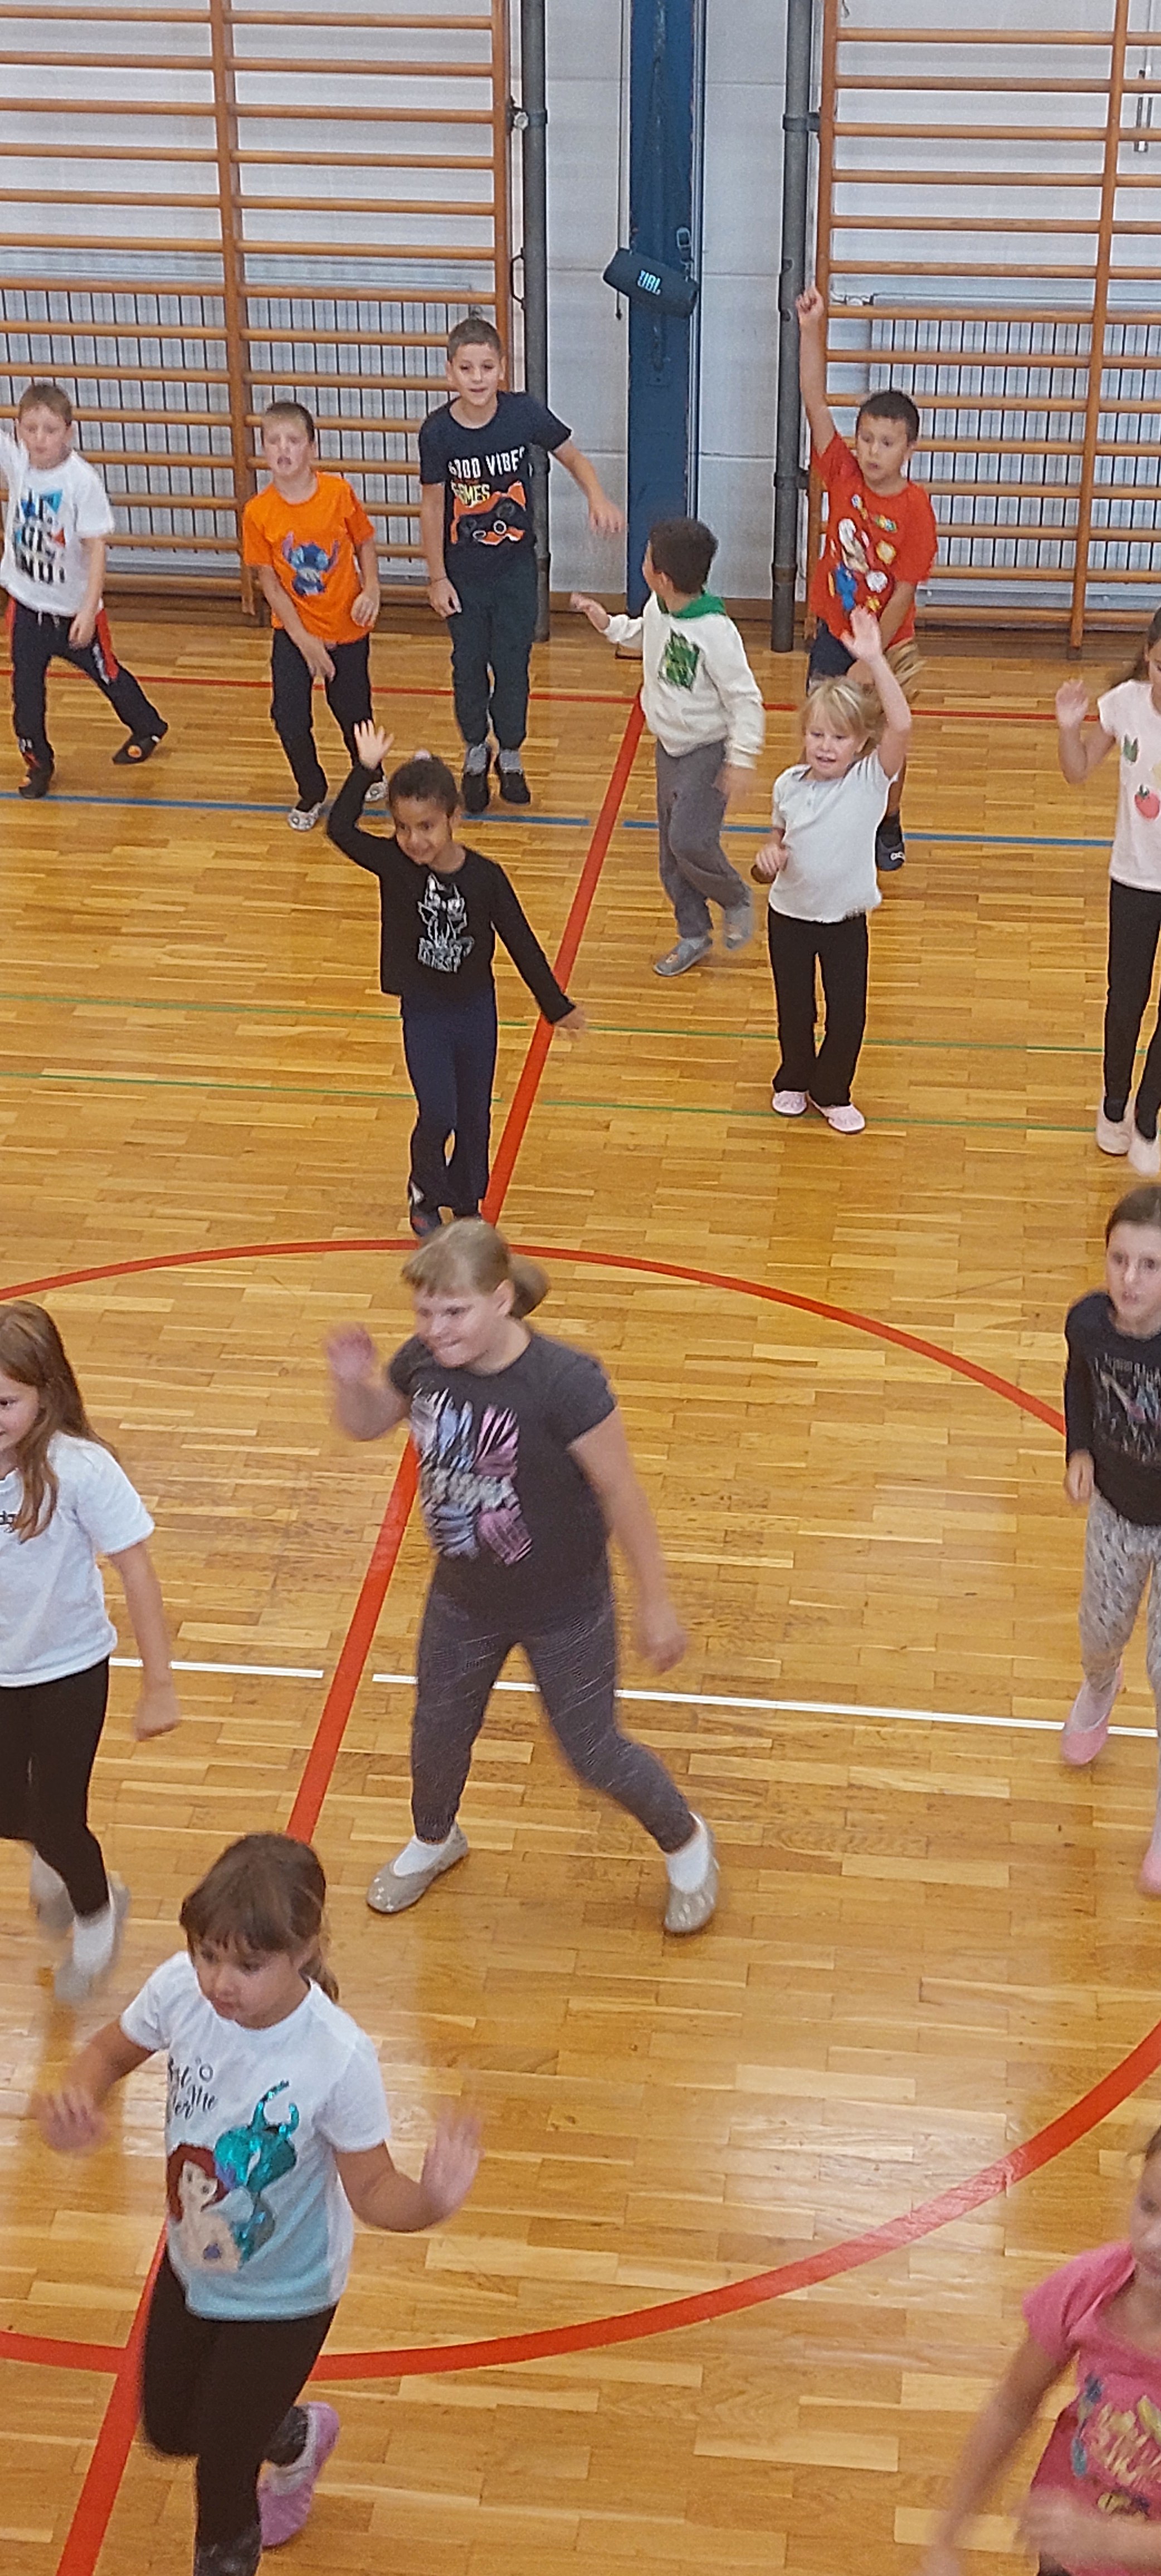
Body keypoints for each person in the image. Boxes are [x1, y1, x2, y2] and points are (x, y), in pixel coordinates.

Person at [32, 1831, 481, 2576]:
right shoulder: (180, 1990)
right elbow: (109, 2051)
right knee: (171, 2428)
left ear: (305, 1950)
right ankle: (298, 2434)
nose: (220, 1982)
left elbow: (374, 2188)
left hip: (286, 2298)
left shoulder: (336, 2056)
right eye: (208, 1954)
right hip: (193, 2265)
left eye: (247, 1965)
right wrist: (80, 2095)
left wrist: (431, 2200)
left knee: (222, 2474)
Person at [326, 1220, 718, 1933]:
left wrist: (655, 1602)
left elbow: (621, 1492)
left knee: (592, 1750)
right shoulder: (424, 1362)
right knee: (437, 1732)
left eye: (454, 1312)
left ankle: (685, 1840)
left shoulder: (564, 1383)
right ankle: (435, 1839)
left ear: (501, 1300)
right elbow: (367, 1422)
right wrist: (352, 1383)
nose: (435, 1329)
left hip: (565, 1607)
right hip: (462, 1598)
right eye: (424, 1313)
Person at [326, 726, 585, 1234]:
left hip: (475, 1011)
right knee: (438, 1111)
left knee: (473, 1114)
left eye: (426, 826)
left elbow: (522, 943)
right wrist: (364, 769)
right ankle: (425, 1190)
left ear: (454, 818)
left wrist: (556, 1006)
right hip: (425, 1011)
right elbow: (340, 828)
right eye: (403, 828)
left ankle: (466, 1199)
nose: (414, 840)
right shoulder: (394, 865)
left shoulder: (486, 878)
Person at [0, 1301, 179, 1999]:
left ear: (46, 1394)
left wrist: (159, 1683)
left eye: (6, 1402)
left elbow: (136, 1569)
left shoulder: (81, 1469)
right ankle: (54, 1853)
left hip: (68, 1672)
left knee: (58, 1817)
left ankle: (98, 1907)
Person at [919, 2121, 1161, 2576]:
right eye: (1149, 2205)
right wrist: (947, 2540)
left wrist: (1108, 2539)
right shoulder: (1090, 2287)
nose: (1152, 2241)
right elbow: (1011, 2406)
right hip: (1070, 2557)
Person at [418, 313, 622, 813]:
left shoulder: (523, 413)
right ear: (450, 372)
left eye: (487, 367)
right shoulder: (438, 432)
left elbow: (573, 456)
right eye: (467, 368)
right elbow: (433, 506)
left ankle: (509, 752)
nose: (478, 378)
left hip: (514, 571)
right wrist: (437, 576)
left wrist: (597, 496)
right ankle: (475, 749)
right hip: (464, 575)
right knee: (469, 666)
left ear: (503, 369)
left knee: (512, 666)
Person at [572, 517, 765, 977]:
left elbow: (745, 699)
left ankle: (735, 896)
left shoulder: (716, 632)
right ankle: (693, 933)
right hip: (669, 750)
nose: (642, 561)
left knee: (690, 841)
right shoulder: (660, 606)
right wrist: (610, 626)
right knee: (670, 857)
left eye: (647, 557)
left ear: (662, 576)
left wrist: (741, 759)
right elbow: (646, 634)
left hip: (707, 753)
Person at [750, 602, 911, 1134]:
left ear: (861, 743)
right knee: (795, 1009)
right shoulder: (788, 786)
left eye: (839, 738)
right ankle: (794, 1078)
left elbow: (902, 724)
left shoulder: (869, 781)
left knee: (848, 1014)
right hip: (789, 917)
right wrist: (767, 859)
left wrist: (874, 659)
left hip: (845, 922)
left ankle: (832, 1089)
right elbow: (777, 841)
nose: (825, 747)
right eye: (817, 735)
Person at [796, 285, 936, 873]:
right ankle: (822, 818)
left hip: (886, 644)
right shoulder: (843, 473)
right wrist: (810, 330)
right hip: (834, 633)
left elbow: (902, 590)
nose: (873, 451)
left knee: (882, 741)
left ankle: (888, 820)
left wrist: (871, 654)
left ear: (909, 448)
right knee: (824, 730)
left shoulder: (914, 508)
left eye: (886, 442)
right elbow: (813, 399)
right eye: (867, 439)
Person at [1060, 1184, 1161, 1894]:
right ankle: (1101, 1683)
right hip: (1115, 1514)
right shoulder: (1087, 1325)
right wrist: (1079, 1446)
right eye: (1119, 1259)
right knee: (1099, 1632)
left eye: (1150, 1265)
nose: (1130, 1279)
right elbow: (1078, 1380)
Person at [1, 380, 167, 798]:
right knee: (26, 693)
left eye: (50, 430)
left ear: (69, 432)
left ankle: (147, 726)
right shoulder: (18, 462)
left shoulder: (81, 481)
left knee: (108, 674)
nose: (40, 439)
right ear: (18, 430)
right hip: (26, 607)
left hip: (74, 611)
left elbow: (96, 551)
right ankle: (38, 763)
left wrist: (88, 609)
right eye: (31, 429)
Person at [241, 400, 383, 831]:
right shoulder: (258, 512)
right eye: (273, 441)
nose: (283, 449)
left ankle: (369, 770)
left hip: (347, 628)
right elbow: (270, 584)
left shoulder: (338, 494)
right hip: (294, 632)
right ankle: (311, 790)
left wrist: (372, 589)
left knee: (352, 709)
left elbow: (364, 542)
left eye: (293, 440)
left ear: (312, 448)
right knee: (288, 717)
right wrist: (305, 641)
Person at [1056, 610, 1161, 1179]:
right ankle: (1114, 1101)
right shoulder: (1123, 705)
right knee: (1126, 999)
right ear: (1148, 656)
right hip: (1134, 878)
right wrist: (1068, 728)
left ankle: (1148, 1116)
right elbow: (1077, 771)